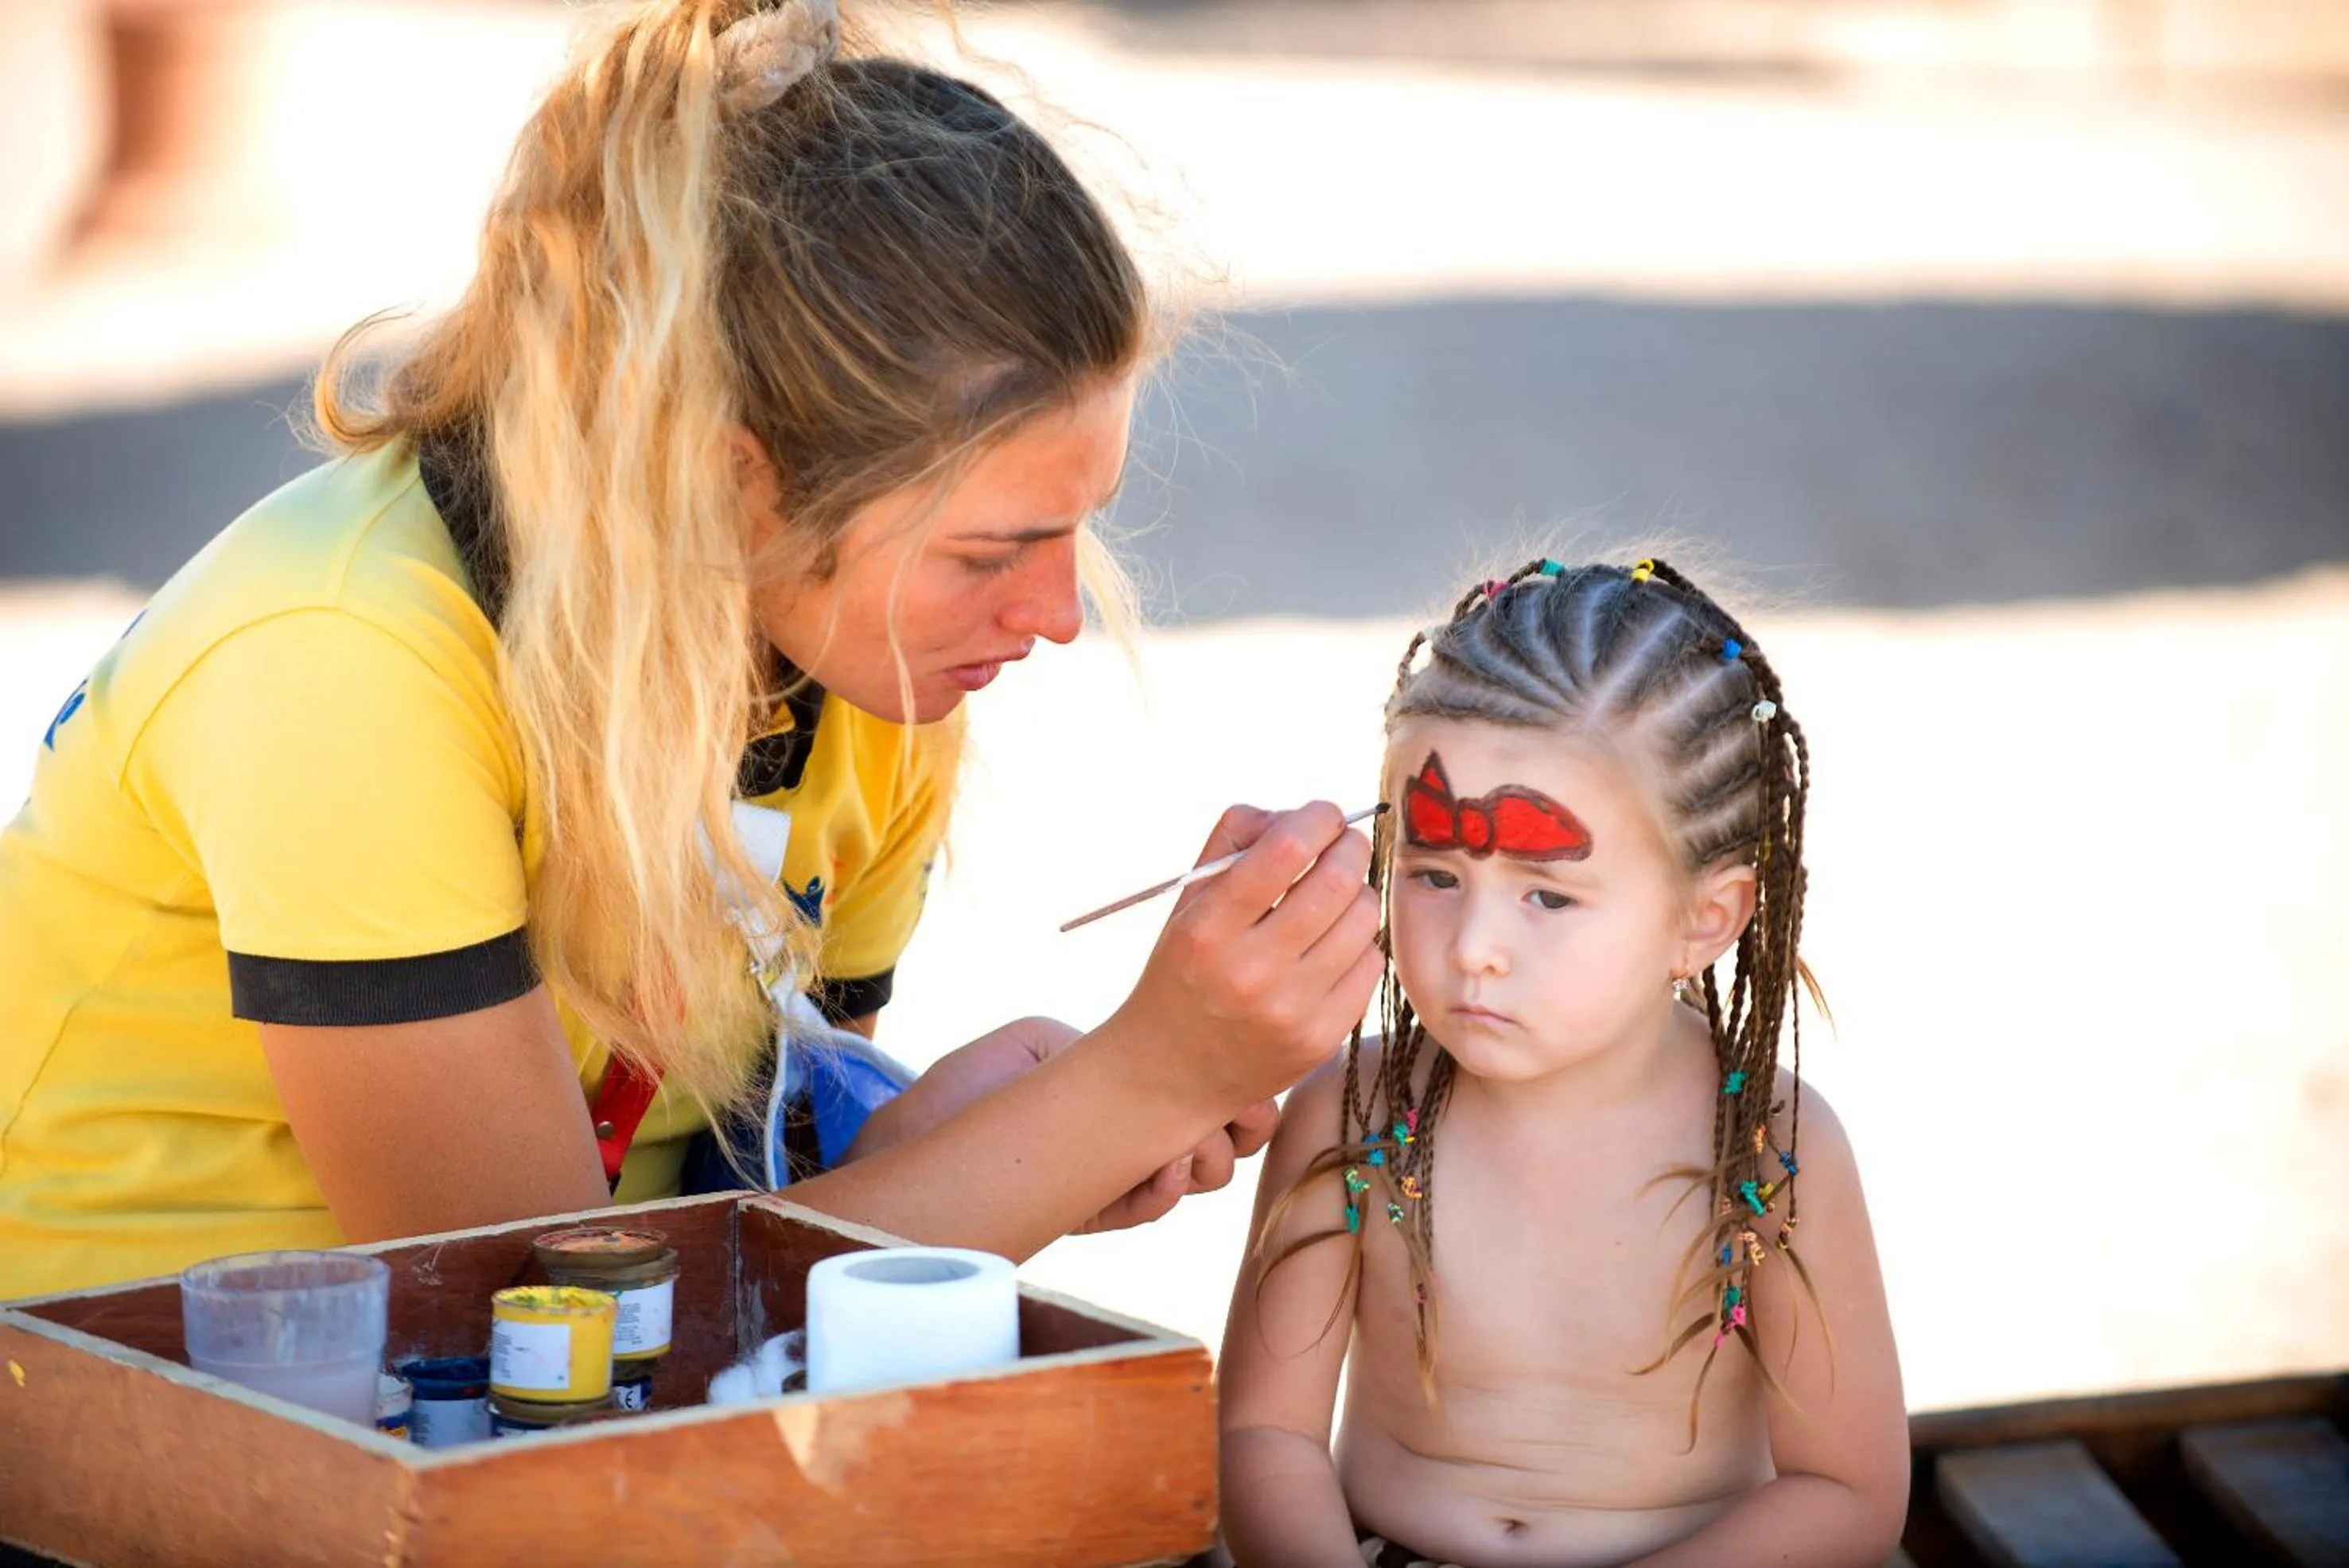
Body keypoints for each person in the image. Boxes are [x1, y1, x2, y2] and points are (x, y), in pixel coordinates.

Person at [0, 0, 1384, 1301]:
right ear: (733, 486)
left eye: (1075, 529)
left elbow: (727, 1192)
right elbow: (527, 1312)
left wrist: (936, 1132)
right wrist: (1130, 1087)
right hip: (113, 1401)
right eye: (987, 552)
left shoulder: (862, 668)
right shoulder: (339, 662)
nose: (1056, 615)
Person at [1217, 559, 1908, 1566]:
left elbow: (1844, 1493)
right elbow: (1265, 1438)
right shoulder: (1354, 1117)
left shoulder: (1768, 1148)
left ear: (1703, 919)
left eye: (1547, 896)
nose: (1474, 946)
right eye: (1436, 874)